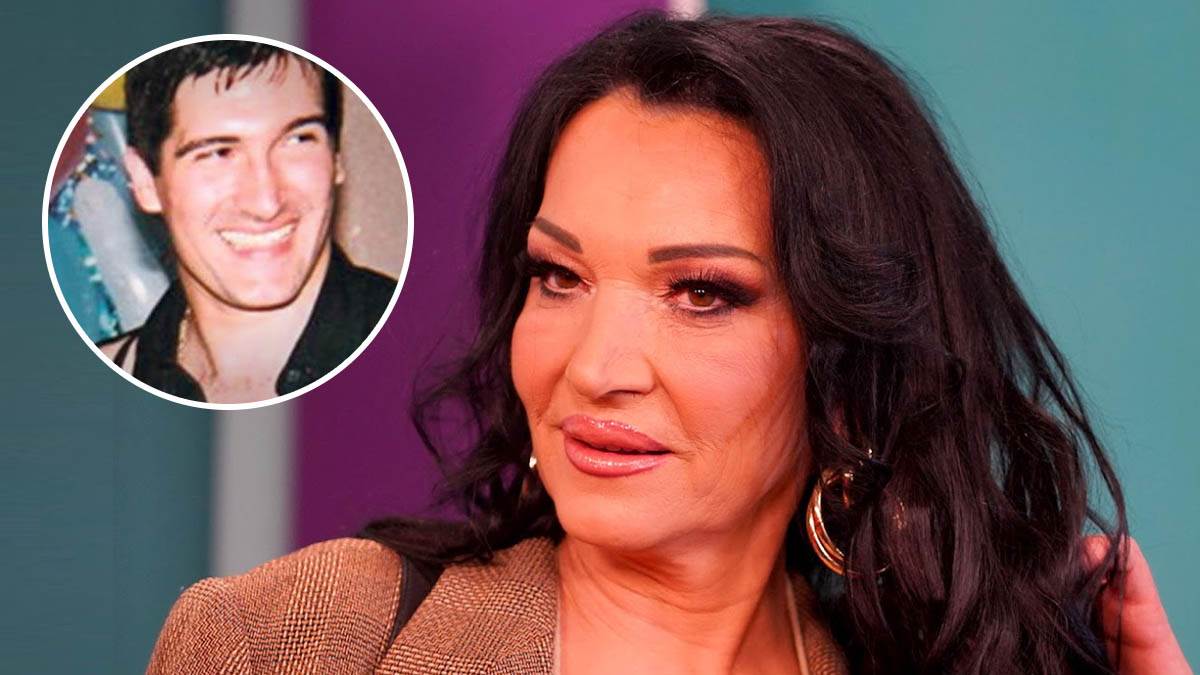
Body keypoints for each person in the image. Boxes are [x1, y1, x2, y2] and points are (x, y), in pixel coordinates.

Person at [147, 14, 1192, 674]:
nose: (594, 369)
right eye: (559, 277)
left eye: (701, 292)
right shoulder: (299, 641)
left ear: (849, 361)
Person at [99, 41, 397, 404]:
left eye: (297, 140)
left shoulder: (432, 350)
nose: (266, 203)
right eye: (219, 153)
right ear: (146, 181)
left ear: (336, 158)